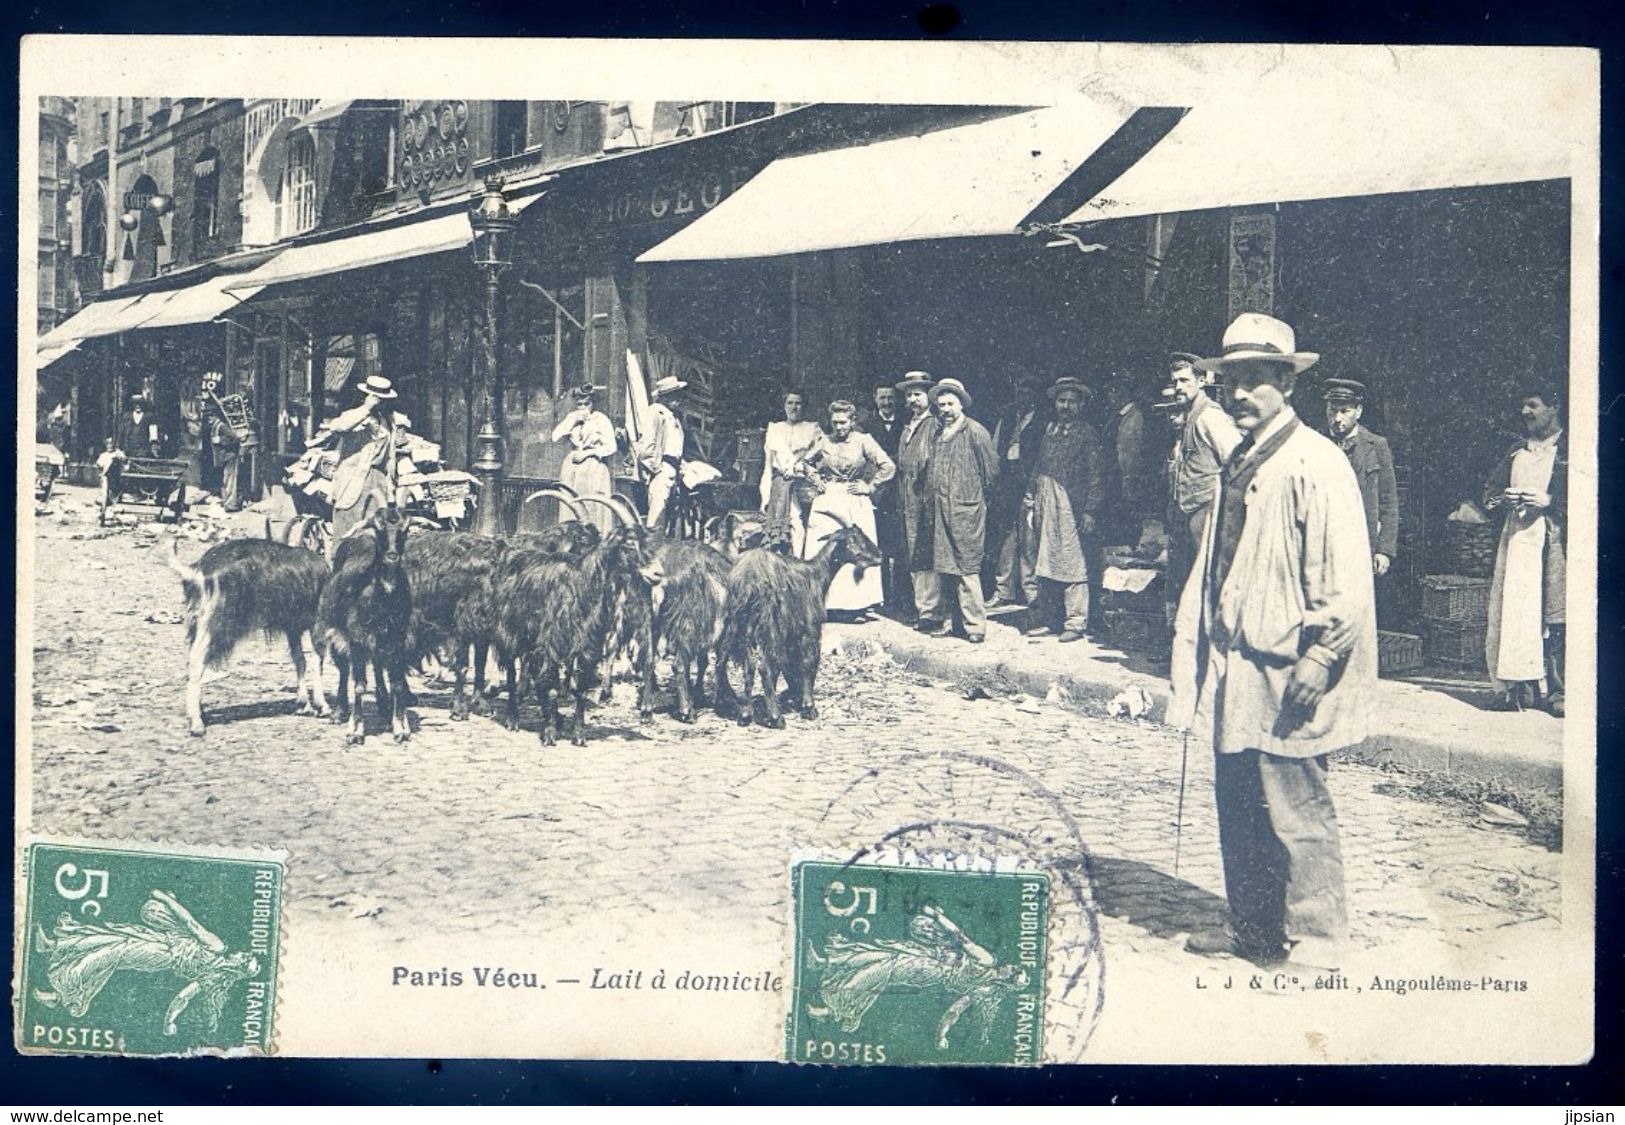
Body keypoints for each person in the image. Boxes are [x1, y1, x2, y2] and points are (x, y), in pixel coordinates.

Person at [1170, 313, 1375, 972]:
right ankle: (1252, 931)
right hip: (1238, 658)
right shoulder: (1242, 456)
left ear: (1286, 382)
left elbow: (1343, 574)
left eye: (1255, 380)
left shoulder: (1317, 461)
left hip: (1291, 658)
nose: (1239, 394)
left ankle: (1315, 935)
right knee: (1239, 798)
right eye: (1230, 380)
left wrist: (1322, 652)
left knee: (1294, 801)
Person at [1482, 385, 1566, 716]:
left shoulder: (1566, 451)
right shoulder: (1517, 450)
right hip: (1518, 542)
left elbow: (1592, 492)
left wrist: (1550, 501)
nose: (1525, 412)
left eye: (1532, 405)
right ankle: (1519, 688)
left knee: (1554, 614)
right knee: (1516, 610)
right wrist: (1507, 497)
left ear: (1554, 406)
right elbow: (1490, 491)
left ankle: (1558, 691)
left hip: (1555, 543)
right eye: (1522, 406)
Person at [1021, 377, 1106, 642]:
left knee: (1072, 563)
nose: (1065, 406)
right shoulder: (1050, 430)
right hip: (1047, 504)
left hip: (1072, 507)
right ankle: (1051, 620)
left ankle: (1076, 622)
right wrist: (1031, 498)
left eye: (1071, 401)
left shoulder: (1087, 434)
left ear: (1080, 405)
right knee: (1046, 561)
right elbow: (1039, 466)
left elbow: (1096, 475)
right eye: (1061, 401)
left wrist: (1091, 510)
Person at [1164, 352, 1243, 626]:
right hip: (1187, 511)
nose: (1178, 388)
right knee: (1186, 580)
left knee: (1206, 578)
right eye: (1175, 382)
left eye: (1185, 381)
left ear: (1201, 381)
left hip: (1206, 510)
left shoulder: (1209, 416)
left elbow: (1236, 461)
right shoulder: (1188, 416)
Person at [801, 400, 896, 620]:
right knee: (826, 549)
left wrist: (869, 486)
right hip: (828, 499)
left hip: (854, 499)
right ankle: (826, 604)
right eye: (835, 422)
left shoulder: (864, 441)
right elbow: (805, 463)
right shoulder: (824, 441)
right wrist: (816, 480)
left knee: (855, 548)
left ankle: (857, 606)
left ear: (853, 421)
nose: (839, 427)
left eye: (843, 422)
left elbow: (888, 466)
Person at [922, 377, 998, 644]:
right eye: (941, 404)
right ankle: (953, 623)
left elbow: (991, 474)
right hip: (941, 511)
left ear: (961, 404)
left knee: (966, 569)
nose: (945, 409)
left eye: (950, 404)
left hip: (967, 512)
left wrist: (971, 499)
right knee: (945, 569)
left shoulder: (975, 432)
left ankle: (975, 626)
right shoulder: (938, 434)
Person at [1323, 378, 1399, 580]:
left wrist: (1384, 550)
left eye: (1345, 411)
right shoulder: (1318, 445)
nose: (1337, 418)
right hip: (1324, 542)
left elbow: (1388, 502)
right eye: (1332, 410)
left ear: (1358, 411)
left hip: (1362, 541)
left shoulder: (1377, 445)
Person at [327, 375, 405, 555]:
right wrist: (365, 409)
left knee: (375, 532)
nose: (380, 404)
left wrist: (391, 485)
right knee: (347, 529)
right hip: (354, 480)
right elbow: (337, 427)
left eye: (383, 401)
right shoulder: (355, 416)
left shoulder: (388, 422)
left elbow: (389, 456)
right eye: (376, 399)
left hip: (377, 482)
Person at [987, 374, 1045, 610]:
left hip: (1030, 483)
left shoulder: (1043, 421)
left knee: (1029, 539)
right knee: (1006, 538)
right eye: (1021, 392)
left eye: (1030, 393)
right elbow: (994, 447)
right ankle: (1004, 590)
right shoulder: (1008, 417)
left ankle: (1031, 592)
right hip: (1007, 484)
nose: (1024, 397)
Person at [894, 372, 941, 631]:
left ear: (928, 398)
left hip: (924, 498)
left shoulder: (933, 425)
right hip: (907, 497)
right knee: (912, 552)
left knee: (925, 552)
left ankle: (931, 612)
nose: (913, 399)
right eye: (909, 395)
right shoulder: (908, 426)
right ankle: (921, 606)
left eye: (918, 394)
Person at [759, 390, 825, 554]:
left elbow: (819, 462)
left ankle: (798, 560)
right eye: (790, 403)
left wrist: (800, 469)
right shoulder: (775, 429)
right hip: (780, 484)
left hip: (802, 485)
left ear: (804, 406)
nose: (794, 407)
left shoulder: (812, 429)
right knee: (783, 522)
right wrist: (764, 496)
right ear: (784, 406)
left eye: (798, 403)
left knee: (797, 523)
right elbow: (767, 467)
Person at [552, 382, 618, 536]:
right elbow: (555, 436)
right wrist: (572, 421)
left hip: (592, 467)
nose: (582, 408)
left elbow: (611, 447)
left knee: (591, 502)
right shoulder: (572, 417)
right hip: (572, 466)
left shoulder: (601, 419)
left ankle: (594, 536)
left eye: (586, 404)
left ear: (592, 404)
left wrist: (589, 453)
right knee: (571, 502)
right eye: (579, 404)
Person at [866, 383, 908, 610]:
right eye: (882, 398)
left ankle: (902, 598)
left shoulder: (906, 423)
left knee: (901, 546)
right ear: (875, 399)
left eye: (891, 398)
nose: (887, 403)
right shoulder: (866, 426)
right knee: (878, 544)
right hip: (878, 493)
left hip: (900, 493)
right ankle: (881, 597)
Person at [634, 375, 687, 530]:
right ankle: (651, 542)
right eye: (674, 395)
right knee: (657, 511)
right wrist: (656, 468)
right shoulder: (656, 412)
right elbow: (647, 446)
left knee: (667, 512)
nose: (679, 399)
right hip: (662, 468)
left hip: (673, 468)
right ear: (665, 397)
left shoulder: (672, 416)